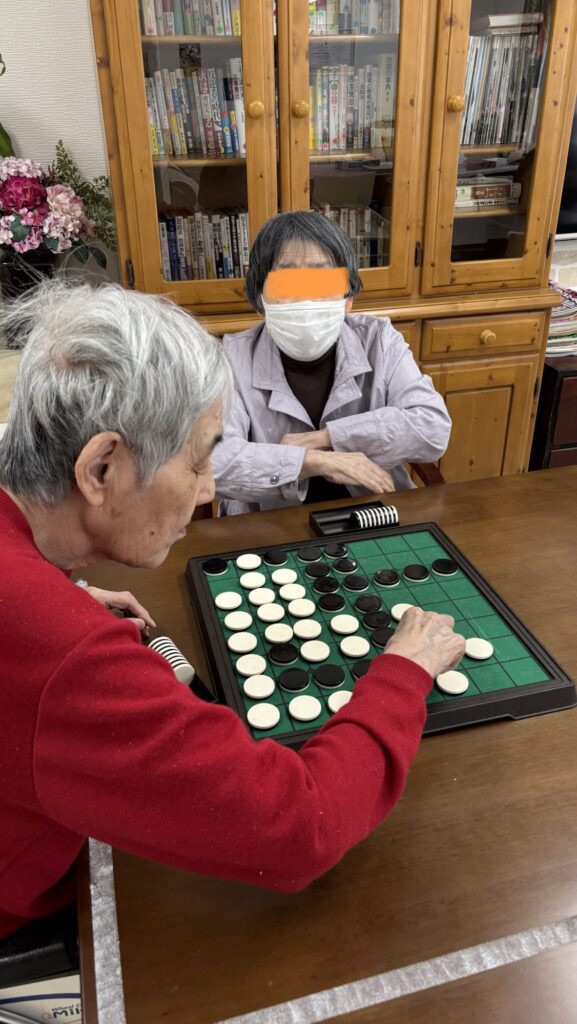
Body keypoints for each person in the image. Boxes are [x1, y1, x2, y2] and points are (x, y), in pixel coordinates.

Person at [0, 280, 464, 940]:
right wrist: (404, 673)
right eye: (199, 460)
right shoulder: (65, 655)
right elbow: (300, 829)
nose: (209, 489)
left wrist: (55, 591)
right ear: (101, 469)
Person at [212, 211, 451, 515]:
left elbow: (432, 426)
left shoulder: (379, 339)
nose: (305, 297)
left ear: (348, 298)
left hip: (372, 512)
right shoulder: (231, 358)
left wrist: (330, 438)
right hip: (269, 523)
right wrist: (314, 461)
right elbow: (213, 460)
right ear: (260, 297)